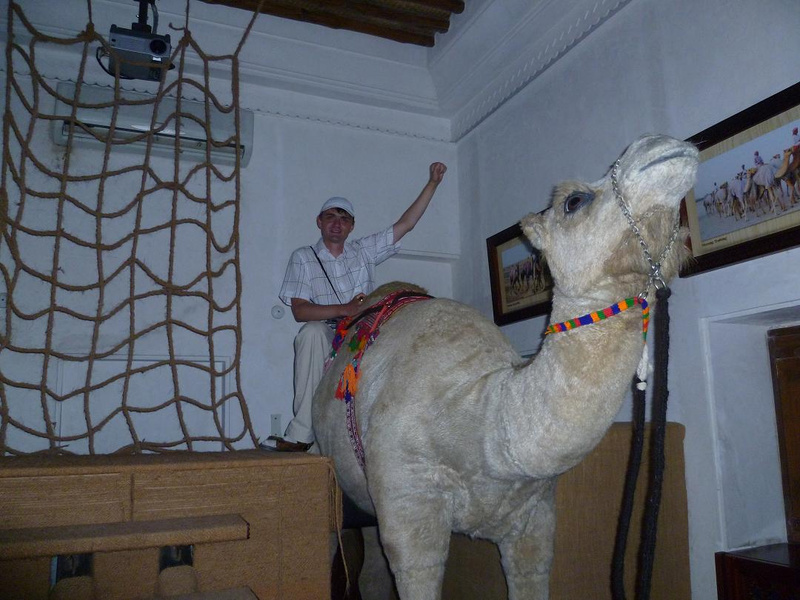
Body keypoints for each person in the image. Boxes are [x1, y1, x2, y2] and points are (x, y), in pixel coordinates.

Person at [264, 162, 447, 452]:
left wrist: (433, 183)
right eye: (330, 216)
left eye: (344, 218)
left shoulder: (363, 251)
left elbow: (406, 224)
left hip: (363, 334)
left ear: (351, 226)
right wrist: (344, 309)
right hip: (328, 332)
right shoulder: (303, 257)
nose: (337, 223)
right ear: (319, 222)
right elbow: (300, 311)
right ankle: (302, 433)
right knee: (311, 333)